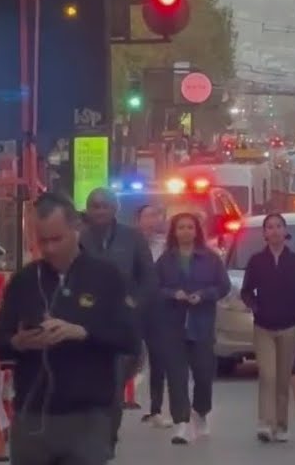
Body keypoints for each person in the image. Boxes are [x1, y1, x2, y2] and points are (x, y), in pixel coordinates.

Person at [0, 193, 140, 465]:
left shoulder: (105, 276)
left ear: (76, 229)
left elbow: (129, 338)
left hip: (87, 417)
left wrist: (83, 332)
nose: (49, 249)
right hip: (32, 417)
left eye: (56, 239)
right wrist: (19, 342)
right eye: (42, 240)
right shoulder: (24, 281)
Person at [80, 187, 156, 454]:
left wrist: (135, 303)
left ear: (115, 209)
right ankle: (89, 435)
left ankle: (108, 437)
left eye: (104, 206)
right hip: (85, 323)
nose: (99, 211)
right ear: (88, 210)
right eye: (94, 206)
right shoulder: (79, 238)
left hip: (121, 324)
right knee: (87, 384)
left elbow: (149, 277)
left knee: (113, 386)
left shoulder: (132, 238)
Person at [155, 212, 231, 444]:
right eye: (181, 228)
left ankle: (201, 412)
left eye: (190, 227)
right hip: (173, 326)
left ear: (197, 231)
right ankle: (182, 423)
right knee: (177, 377)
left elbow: (223, 286)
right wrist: (171, 294)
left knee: (203, 375)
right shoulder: (165, 260)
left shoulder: (210, 258)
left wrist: (205, 295)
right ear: (174, 232)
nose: (185, 232)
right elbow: (153, 288)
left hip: (202, 324)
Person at [238, 213, 295, 443]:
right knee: (267, 375)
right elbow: (246, 291)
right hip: (264, 327)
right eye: (270, 227)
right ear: (264, 233)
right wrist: (256, 308)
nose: (275, 231)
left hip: (289, 326)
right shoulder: (257, 261)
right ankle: (265, 423)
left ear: (285, 231)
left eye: (279, 226)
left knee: (282, 378)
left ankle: (281, 424)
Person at [136, 203, 172, 428]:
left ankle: (156, 408)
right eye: (148, 215)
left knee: (158, 359)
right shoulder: (130, 244)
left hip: (159, 310)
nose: (153, 220)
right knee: (126, 357)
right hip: (133, 308)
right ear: (138, 219)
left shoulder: (167, 247)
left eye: (157, 214)